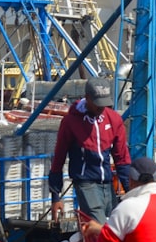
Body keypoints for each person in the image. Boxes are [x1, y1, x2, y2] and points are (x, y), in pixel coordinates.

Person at [49, 77, 132, 223]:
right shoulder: (70, 122)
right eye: (97, 104)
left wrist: (131, 191)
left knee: (116, 224)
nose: (101, 108)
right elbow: (59, 157)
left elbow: (122, 157)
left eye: (104, 104)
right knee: (99, 226)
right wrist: (56, 196)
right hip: (85, 182)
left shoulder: (114, 119)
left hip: (107, 182)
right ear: (87, 98)